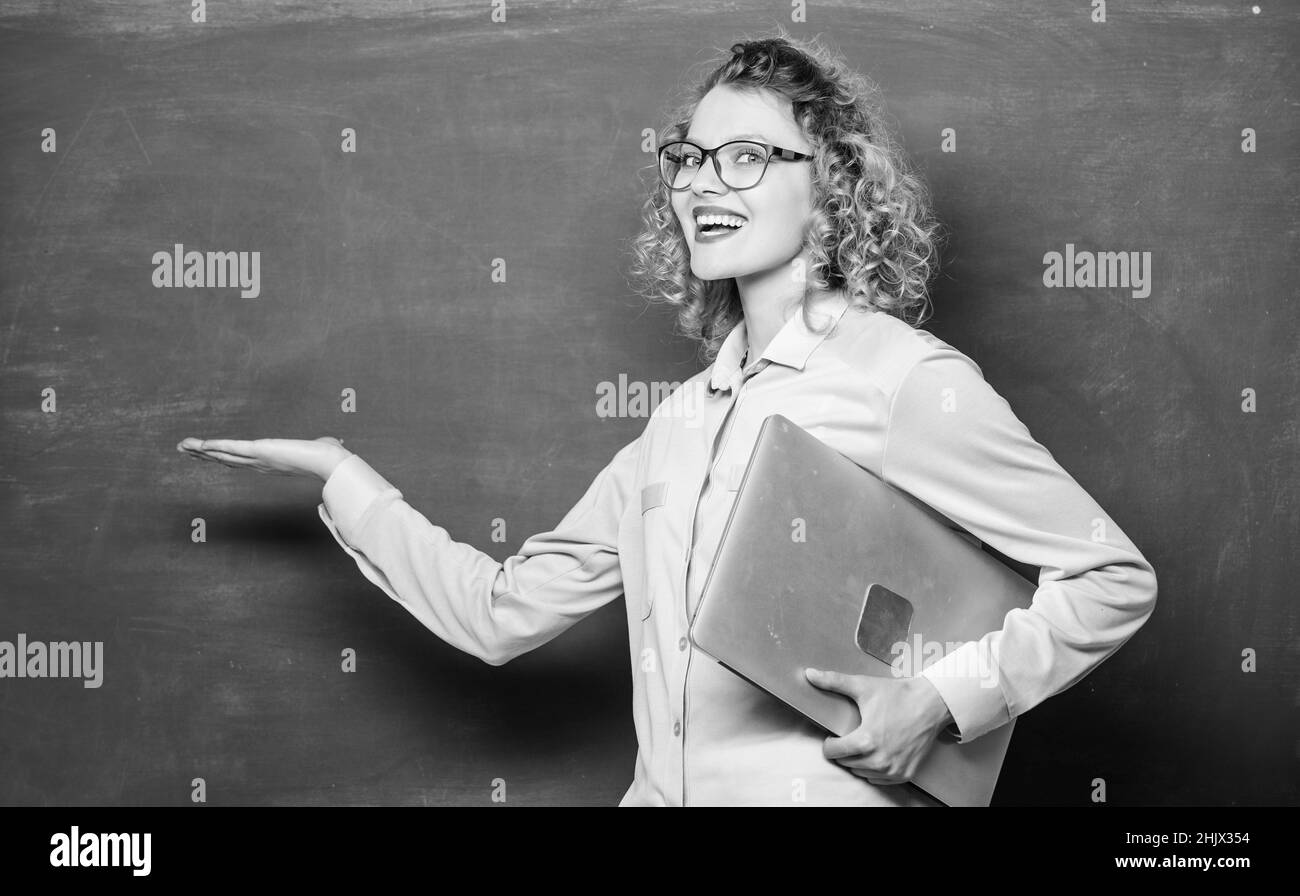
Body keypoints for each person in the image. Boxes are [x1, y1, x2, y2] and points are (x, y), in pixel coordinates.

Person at [178, 33, 1158, 806]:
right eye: (688, 158)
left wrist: (939, 701)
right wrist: (341, 476)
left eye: (744, 158)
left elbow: (1108, 578)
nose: (698, 184)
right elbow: (500, 614)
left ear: (831, 181)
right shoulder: (675, 428)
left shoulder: (903, 379)